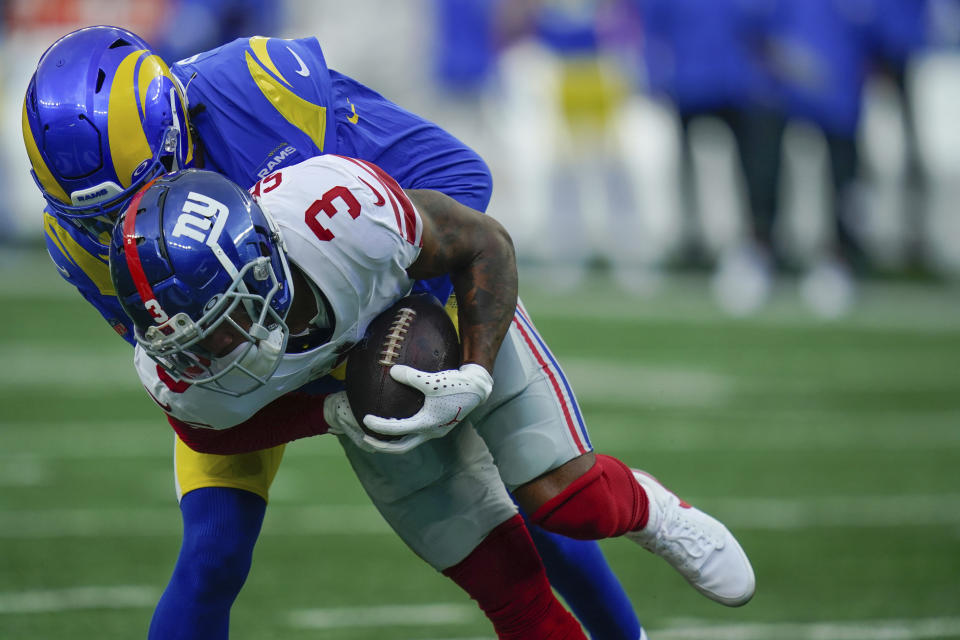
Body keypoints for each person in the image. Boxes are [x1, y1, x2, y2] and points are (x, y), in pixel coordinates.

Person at [23, 25, 642, 639]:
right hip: (245, 365)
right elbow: (183, 367)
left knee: (532, 490)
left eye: (136, 196)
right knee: (212, 556)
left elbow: (461, 187)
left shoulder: (259, 91)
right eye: (100, 218)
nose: (125, 224)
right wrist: (334, 404)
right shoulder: (74, 240)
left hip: (361, 313)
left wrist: (388, 333)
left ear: (177, 128)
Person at [108, 159, 756, 634]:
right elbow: (208, 434)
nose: (206, 354)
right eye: (185, 342)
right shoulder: (180, 369)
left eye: (219, 323)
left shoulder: (334, 213)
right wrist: (330, 410)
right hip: (367, 402)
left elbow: (485, 243)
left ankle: (655, 513)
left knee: (567, 501)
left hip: (443, 318)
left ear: (256, 266)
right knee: (509, 589)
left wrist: (474, 371)